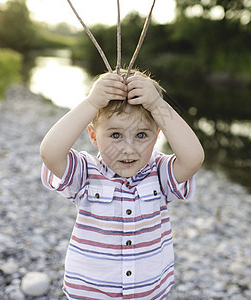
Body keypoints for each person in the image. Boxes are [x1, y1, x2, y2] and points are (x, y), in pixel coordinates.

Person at [40, 69, 204, 299]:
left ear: (157, 135)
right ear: (94, 135)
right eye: (115, 135)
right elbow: (50, 152)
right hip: (91, 293)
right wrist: (91, 103)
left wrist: (157, 104)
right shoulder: (87, 173)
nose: (129, 149)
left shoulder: (159, 172)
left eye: (141, 135)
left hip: (148, 292)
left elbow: (193, 158)